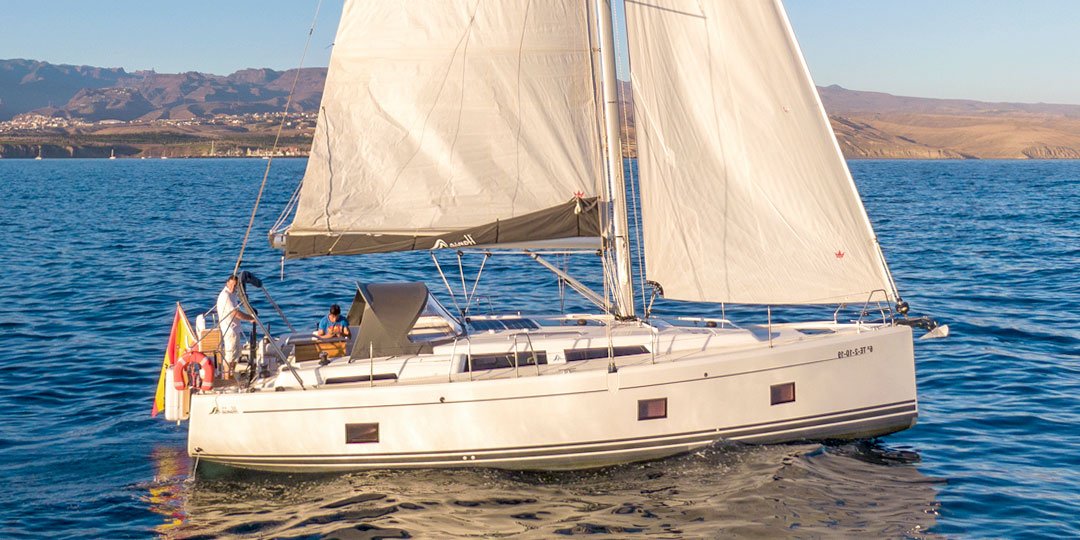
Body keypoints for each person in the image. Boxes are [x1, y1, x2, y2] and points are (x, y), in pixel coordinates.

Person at [216, 275, 255, 378]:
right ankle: (226, 378)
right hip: (229, 330)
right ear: (227, 283)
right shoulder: (225, 296)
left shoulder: (232, 294)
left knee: (235, 356)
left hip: (235, 329)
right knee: (229, 357)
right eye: (231, 285)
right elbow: (235, 313)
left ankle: (231, 375)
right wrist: (250, 318)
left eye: (235, 286)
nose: (233, 288)